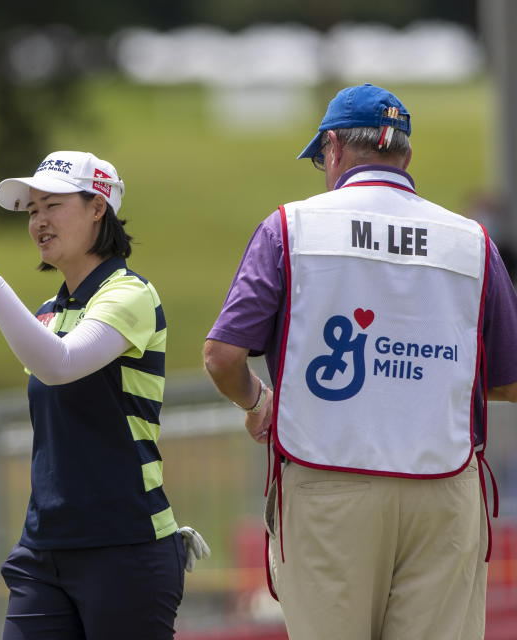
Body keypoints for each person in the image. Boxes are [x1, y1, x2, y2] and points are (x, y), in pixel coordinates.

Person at [203, 83, 517, 640]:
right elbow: (510, 381)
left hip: (327, 478)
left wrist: (258, 404)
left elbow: (222, 356)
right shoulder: (471, 241)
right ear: (406, 155)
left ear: (333, 150)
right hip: (442, 485)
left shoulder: (288, 228)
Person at [0, 150, 208, 640]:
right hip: (44, 548)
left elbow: (59, 364)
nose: (39, 221)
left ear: (98, 209)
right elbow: (51, 359)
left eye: (53, 205)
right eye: (32, 210)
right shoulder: (50, 310)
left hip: (125, 544)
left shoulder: (130, 293)